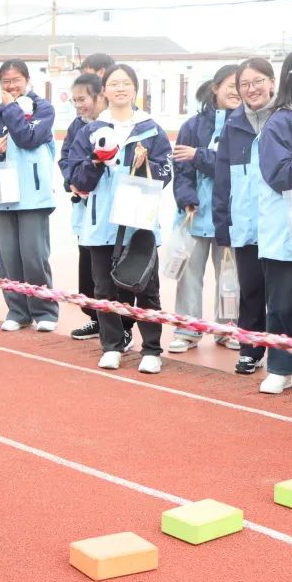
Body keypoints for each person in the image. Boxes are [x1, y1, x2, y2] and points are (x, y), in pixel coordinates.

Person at [67, 64, 173, 373]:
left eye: (126, 83)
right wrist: (96, 162)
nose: (120, 88)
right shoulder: (90, 130)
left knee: (147, 289)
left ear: (136, 90)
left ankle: (152, 349)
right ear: (105, 91)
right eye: (114, 83)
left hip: (140, 221)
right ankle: (111, 346)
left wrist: (144, 165)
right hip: (102, 223)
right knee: (103, 289)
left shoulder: (150, 128)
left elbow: (165, 173)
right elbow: (77, 179)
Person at [0, 59, 61, 332]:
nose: (11, 86)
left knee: (33, 254)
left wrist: (11, 108)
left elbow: (28, 138)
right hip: (2, 194)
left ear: (27, 80)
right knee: (9, 256)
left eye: (16, 80)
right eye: (6, 81)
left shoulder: (43, 108)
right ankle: (17, 310)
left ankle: (45, 311)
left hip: (32, 195)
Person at [168, 65, 241, 354]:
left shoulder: (248, 126)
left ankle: (227, 328)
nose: (236, 91)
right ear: (215, 88)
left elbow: (229, 168)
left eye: (241, 85)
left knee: (230, 278)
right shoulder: (192, 126)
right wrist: (187, 197)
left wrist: (199, 155)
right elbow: (180, 166)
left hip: (232, 216)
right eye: (231, 85)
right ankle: (187, 329)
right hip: (195, 214)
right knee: (189, 275)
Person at [212, 58, 276, 374]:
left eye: (258, 81)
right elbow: (223, 179)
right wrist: (223, 224)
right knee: (250, 290)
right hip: (246, 224)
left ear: (273, 82)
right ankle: (251, 348)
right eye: (245, 84)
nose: (252, 89)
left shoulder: (287, 118)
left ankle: (287, 353)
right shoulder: (233, 125)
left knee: (287, 295)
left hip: (281, 226)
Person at [256, 46, 292, 394]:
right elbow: (279, 173)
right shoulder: (281, 121)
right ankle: (279, 365)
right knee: (283, 302)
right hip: (287, 229)